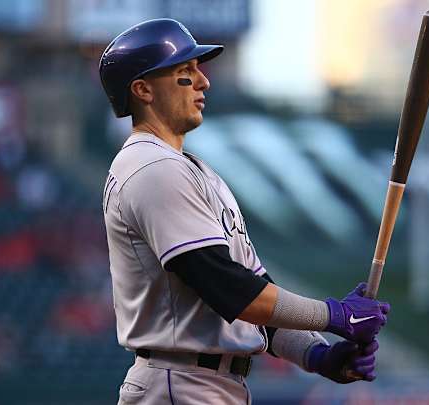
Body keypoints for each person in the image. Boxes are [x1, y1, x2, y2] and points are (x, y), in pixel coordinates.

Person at [99, 19, 391, 405]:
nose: (203, 82)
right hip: (179, 382)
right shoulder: (152, 168)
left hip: (203, 383)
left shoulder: (190, 170)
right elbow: (231, 290)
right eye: (185, 71)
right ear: (143, 90)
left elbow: (255, 294)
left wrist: (318, 355)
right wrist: (334, 315)